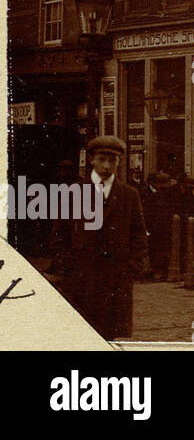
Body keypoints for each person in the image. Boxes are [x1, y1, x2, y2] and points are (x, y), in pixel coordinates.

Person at [58, 136, 148, 340]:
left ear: (118, 162)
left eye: (112, 161)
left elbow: (138, 233)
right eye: (102, 159)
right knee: (81, 333)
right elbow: (60, 234)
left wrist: (132, 267)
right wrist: (67, 268)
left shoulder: (128, 195)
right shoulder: (73, 193)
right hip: (81, 276)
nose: (107, 166)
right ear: (91, 160)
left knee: (110, 334)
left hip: (116, 277)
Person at [140, 171, 177, 281]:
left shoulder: (166, 194)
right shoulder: (145, 193)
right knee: (154, 248)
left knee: (163, 248)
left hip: (164, 225)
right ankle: (155, 270)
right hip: (152, 225)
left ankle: (161, 270)